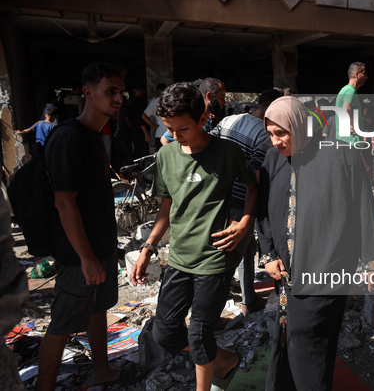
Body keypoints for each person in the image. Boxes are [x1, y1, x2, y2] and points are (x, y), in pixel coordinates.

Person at [130, 82, 258, 391]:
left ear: (203, 119)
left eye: (183, 128)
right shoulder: (167, 156)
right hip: (179, 258)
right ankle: (224, 360)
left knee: (200, 333)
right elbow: (165, 209)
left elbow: (253, 186)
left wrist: (244, 223)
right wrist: (147, 249)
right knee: (165, 332)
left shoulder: (227, 152)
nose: (175, 136)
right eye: (170, 129)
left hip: (215, 257)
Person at [257, 96, 374, 390]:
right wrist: (268, 254)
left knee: (309, 337)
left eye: (282, 133)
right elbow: (263, 212)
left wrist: (372, 261)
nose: (275, 141)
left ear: (300, 126)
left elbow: (364, 208)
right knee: (289, 335)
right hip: (287, 271)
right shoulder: (274, 159)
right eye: (271, 134)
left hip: (328, 265)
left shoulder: (342, 155)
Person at [37, 62, 139, 390]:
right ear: (88, 92)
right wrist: (85, 257)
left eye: (120, 92)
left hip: (102, 245)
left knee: (98, 310)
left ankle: (102, 370)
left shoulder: (95, 135)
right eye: (111, 91)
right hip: (78, 254)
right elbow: (64, 202)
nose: (118, 98)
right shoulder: (69, 136)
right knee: (63, 324)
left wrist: (115, 173)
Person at [209, 88, 282, 316]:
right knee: (230, 256)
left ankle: (248, 300)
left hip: (218, 196)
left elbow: (209, 149)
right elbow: (257, 175)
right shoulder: (265, 134)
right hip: (242, 202)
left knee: (246, 250)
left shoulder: (229, 119)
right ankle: (211, 315)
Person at [161, 77, 226, 145]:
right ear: (209, 96)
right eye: (221, 98)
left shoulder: (208, 119)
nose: (224, 103)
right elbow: (164, 140)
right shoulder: (193, 117)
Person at [335, 62, 371, 171]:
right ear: (356, 74)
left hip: (346, 141)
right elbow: (346, 107)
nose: (366, 77)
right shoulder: (350, 89)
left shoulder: (345, 90)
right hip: (351, 141)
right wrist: (351, 125)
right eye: (364, 73)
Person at [141, 83, 168, 150]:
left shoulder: (155, 102)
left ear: (157, 91)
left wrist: (153, 126)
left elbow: (143, 116)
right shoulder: (172, 101)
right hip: (172, 133)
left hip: (160, 133)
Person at [128, 82, 150, 160]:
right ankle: (139, 170)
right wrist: (146, 133)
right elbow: (140, 118)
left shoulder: (130, 101)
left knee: (136, 151)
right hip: (140, 131)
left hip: (134, 130)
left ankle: (136, 169)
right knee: (141, 153)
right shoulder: (140, 102)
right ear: (144, 91)